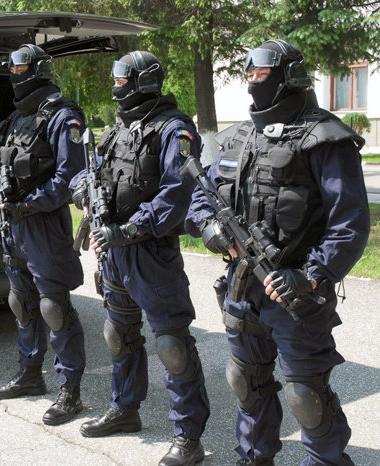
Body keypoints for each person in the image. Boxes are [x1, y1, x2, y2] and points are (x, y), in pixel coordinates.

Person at [185, 40, 369, 465]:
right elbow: (202, 195)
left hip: (297, 294)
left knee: (306, 396)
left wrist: (311, 274)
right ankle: (254, 456)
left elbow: (350, 223)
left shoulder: (325, 137)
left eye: (263, 74)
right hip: (242, 286)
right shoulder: (239, 137)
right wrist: (210, 228)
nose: (253, 82)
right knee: (245, 381)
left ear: (290, 77)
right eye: (249, 74)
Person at [72, 51, 210, 466]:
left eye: (122, 79)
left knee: (172, 345)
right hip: (113, 251)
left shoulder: (175, 129)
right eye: (115, 79)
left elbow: (177, 193)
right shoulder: (119, 129)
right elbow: (91, 169)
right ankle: (125, 408)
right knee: (119, 334)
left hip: (151, 252)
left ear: (142, 82)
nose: (116, 86)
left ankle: (188, 437)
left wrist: (131, 228)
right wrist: (82, 189)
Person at [0, 44, 86, 425]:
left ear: (38, 70)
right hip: (13, 224)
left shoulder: (62, 116)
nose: (14, 72)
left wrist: (29, 204)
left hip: (43, 224)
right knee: (21, 302)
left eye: (21, 66)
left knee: (54, 308)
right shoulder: (15, 118)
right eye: (12, 67)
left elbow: (71, 178)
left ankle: (70, 390)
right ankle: (30, 374)